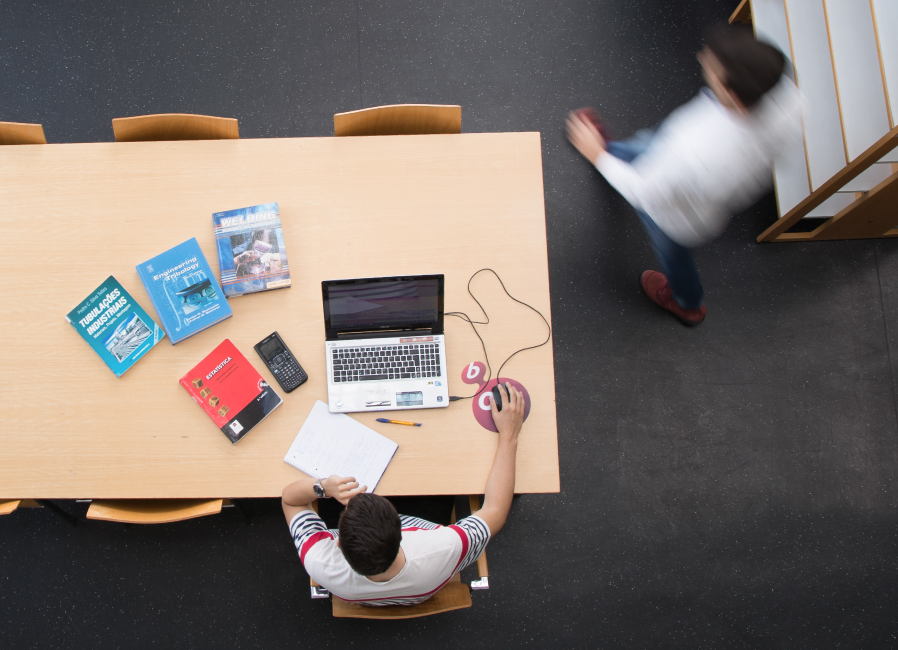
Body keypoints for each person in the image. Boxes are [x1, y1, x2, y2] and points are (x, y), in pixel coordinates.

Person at [566, 25, 803, 327]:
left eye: (713, 68)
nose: (702, 58)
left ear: (735, 97)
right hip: (689, 169)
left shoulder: (693, 152)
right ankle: (613, 152)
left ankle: (687, 304)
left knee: (672, 254)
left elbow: (642, 191)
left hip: (677, 216)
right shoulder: (787, 97)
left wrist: (595, 155)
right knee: (647, 146)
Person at [281, 382, 527, 606]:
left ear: (337, 541)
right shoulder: (444, 548)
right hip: (423, 576)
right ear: (402, 529)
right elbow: (495, 511)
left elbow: (290, 501)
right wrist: (509, 436)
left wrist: (323, 486)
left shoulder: (321, 563)